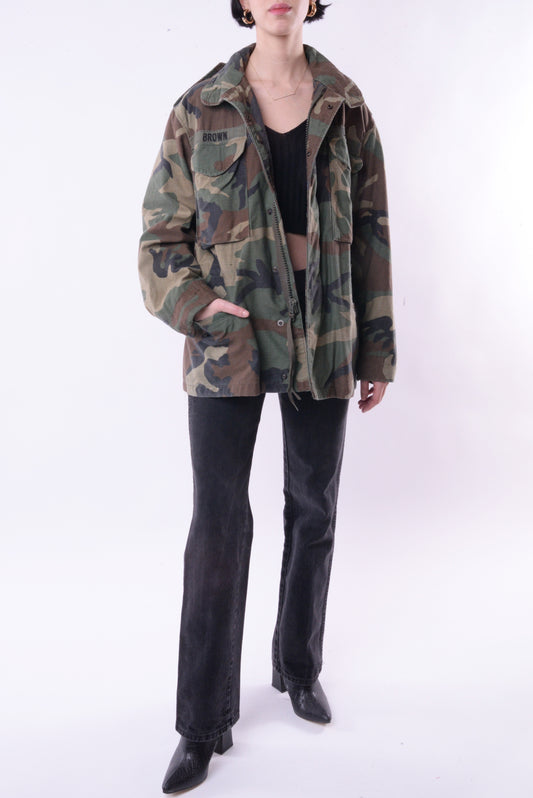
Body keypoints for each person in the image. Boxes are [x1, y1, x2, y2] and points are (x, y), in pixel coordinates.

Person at [138, 0, 396, 792]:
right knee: (217, 523)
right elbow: (159, 241)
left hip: (325, 334)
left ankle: (297, 667)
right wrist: (198, 307)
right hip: (230, 341)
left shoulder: (346, 105)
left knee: (313, 505)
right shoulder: (199, 106)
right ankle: (201, 722)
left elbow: (373, 232)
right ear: (243, 4)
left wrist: (375, 347)